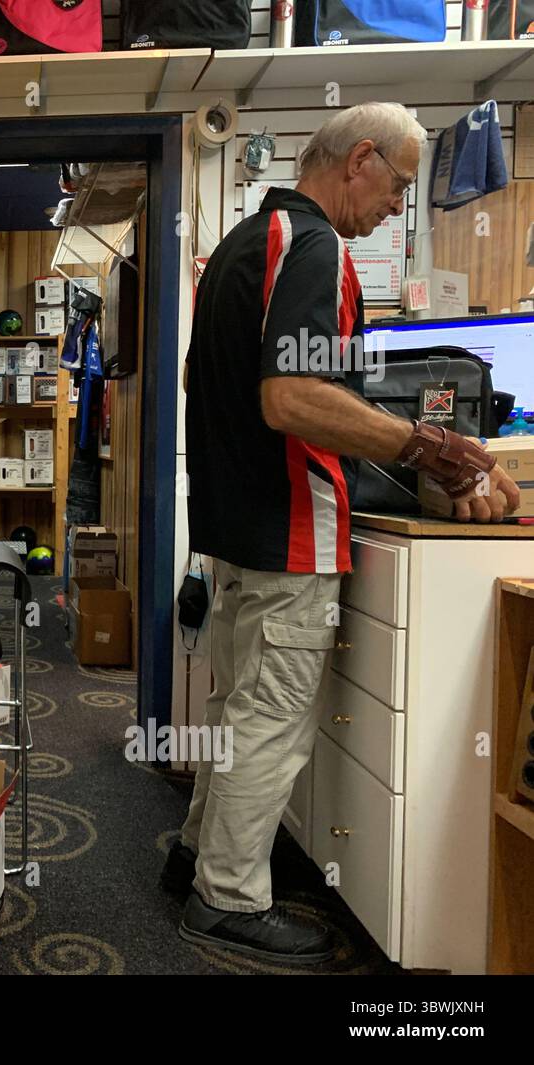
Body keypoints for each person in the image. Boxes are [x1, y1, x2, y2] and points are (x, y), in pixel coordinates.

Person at [168, 102, 521, 964]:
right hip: (287, 527)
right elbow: (290, 397)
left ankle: (196, 859)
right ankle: (227, 897)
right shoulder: (315, 246)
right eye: (399, 184)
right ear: (358, 159)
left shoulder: (239, 251)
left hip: (235, 527)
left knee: (232, 707)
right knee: (270, 720)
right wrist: (428, 445)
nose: (398, 206)